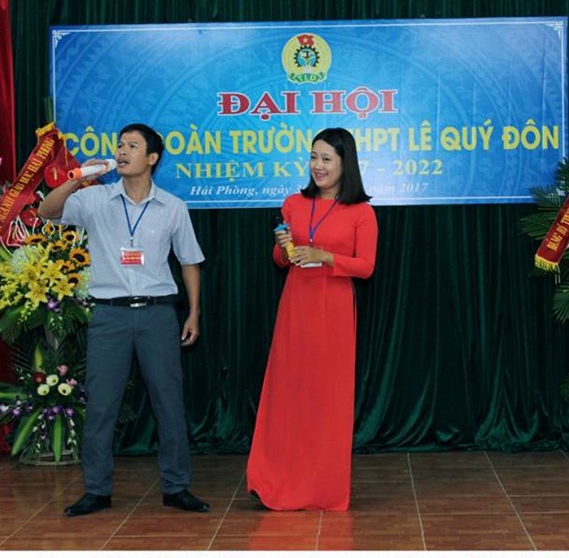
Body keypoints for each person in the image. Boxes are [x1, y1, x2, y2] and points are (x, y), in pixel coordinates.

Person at [38, 123, 209, 516]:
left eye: (133, 145)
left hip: (158, 314)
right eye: (120, 145)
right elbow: (47, 211)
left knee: (168, 402)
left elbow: (189, 262)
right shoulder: (94, 199)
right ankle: (96, 490)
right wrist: (79, 177)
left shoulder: (172, 207)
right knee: (102, 405)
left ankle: (176, 487)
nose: (122, 151)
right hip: (109, 315)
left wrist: (194, 313)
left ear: (152, 158)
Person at [246, 127, 378, 511]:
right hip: (296, 305)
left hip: (334, 308)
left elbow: (366, 266)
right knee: (288, 393)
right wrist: (284, 250)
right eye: (313, 157)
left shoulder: (362, 212)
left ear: (345, 164)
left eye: (326, 159)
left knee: (326, 398)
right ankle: (275, 481)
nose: (317, 166)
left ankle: (322, 488)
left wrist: (326, 257)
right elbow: (280, 259)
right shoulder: (293, 203)